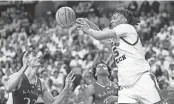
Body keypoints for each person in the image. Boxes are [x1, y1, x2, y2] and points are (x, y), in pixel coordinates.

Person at [76, 9, 167, 104]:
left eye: (115, 18)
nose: (112, 21)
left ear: (124, 20)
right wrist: (89, 23)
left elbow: (99, 35)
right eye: (111, 19)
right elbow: (101, 37)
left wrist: (87, 29)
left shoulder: (127, 27)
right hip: (126, 86)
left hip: (141, 78)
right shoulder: (118, 36)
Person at [4, 51, 75, 104]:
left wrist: (66, 88)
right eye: (34, 55)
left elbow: (53, 102)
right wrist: (24, 66)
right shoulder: (18, 77)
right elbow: (7, 88)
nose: (38, 57)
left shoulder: (41, 83)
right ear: (26, 60)